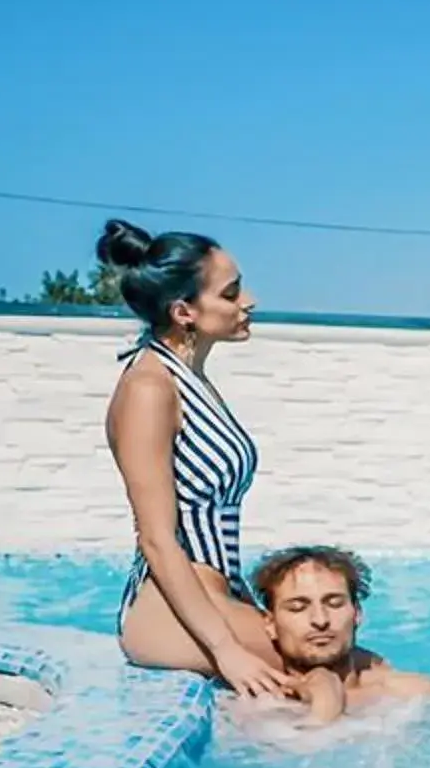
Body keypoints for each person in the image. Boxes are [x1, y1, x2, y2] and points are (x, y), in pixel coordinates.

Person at [99, 218, 294, 700]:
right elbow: (157, 539)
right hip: (167, 610)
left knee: (353, 676)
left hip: (213, 597)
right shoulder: (149, 387)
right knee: (357, 677)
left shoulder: (191, 381)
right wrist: (226, 649)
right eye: (231, 294)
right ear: (184, 311)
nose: (249, 302)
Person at [246, 546, 430, 725]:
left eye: (334, 604)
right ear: (270, 624)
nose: (320, 620)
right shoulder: (250, 706)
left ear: (357, 614)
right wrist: (325, 697)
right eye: (298, 608)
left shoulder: (413, 694)